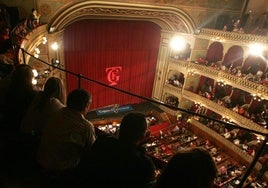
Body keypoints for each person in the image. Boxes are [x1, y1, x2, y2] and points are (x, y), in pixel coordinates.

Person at [36, 88, 95, 185]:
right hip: (62, 172)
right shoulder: (86, 126)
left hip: (41, 162)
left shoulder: (56, 114)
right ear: (85, 106)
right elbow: (91, 150)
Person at [80, 112, 156, 188]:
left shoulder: (103, 141)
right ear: (143, 135)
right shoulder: (145, 163)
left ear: (121, 128)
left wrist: (139, 144)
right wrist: (140, 146)